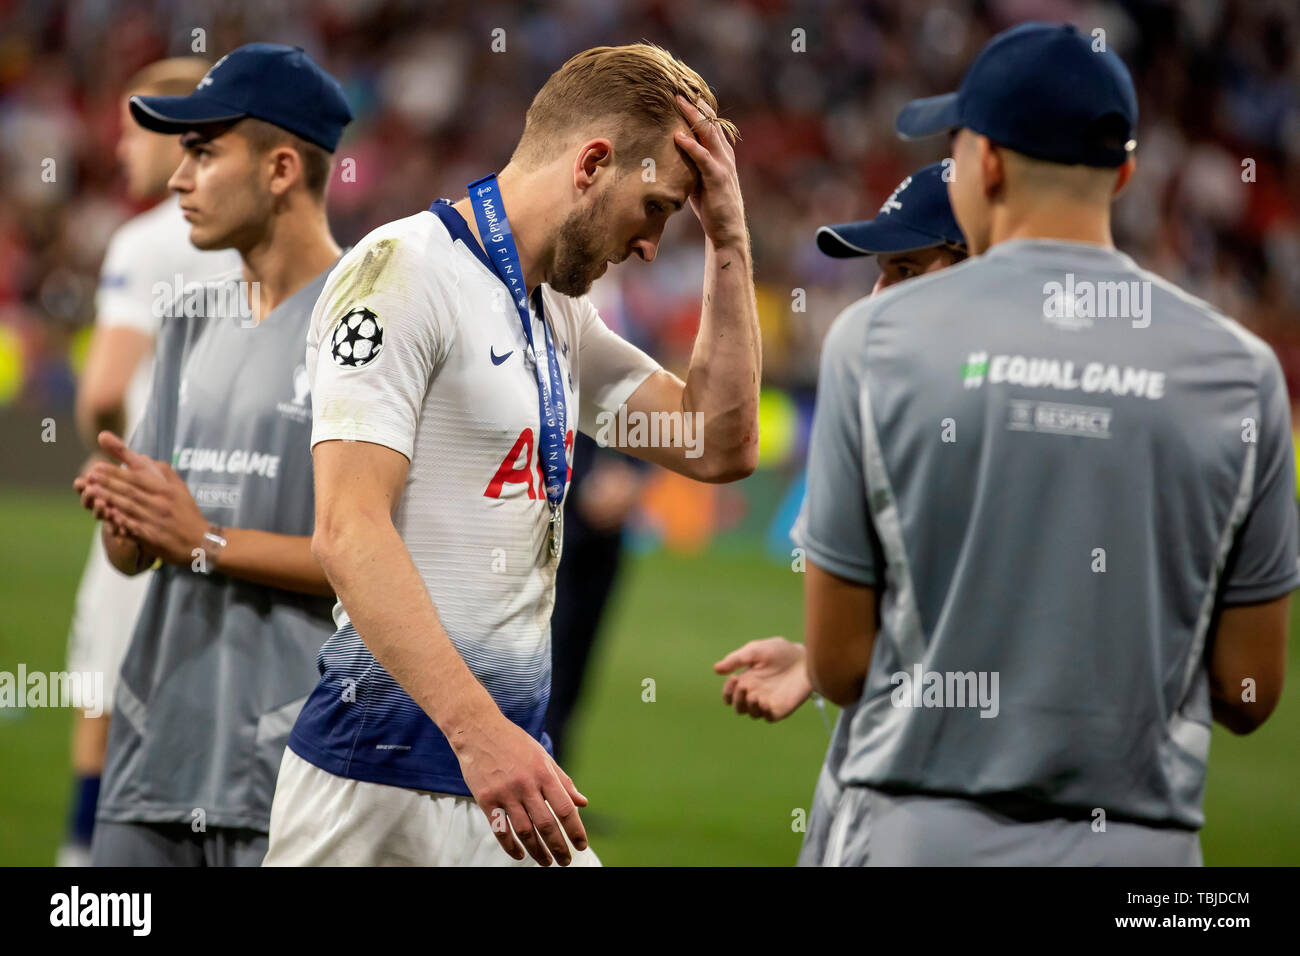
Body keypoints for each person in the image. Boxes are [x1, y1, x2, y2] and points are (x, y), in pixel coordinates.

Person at [796, 22, 1297, 866]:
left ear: (983, 165)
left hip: (921, 830)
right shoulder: (1242, 373)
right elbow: (1250, 693)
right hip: (1149, 856)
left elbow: (841, 666)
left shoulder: (876, 341)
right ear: (1125, 173)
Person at [263, 42, 760, 868]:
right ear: (594, 163)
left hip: (505, 779)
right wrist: (478, 734)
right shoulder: (402, 272)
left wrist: (732, 241)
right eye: (658, 208)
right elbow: (349, 532)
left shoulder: (555, 315)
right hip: (377, 787)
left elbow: (716, 443)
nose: (650, 244)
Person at [73, 43, 353, 866]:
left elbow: (384, 564)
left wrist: (204, 543)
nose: (175, 178)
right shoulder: (189, 317)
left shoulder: (366, 326)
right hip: (155, 752)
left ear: (279, 170)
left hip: (295, 769)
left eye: (201, 152)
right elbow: (135, 557)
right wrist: (128, 519)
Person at [712, 160, 966, 866]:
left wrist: (833, 665)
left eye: (910, 271)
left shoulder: (899, 419)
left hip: (907, 810)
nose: (880, 296)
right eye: (883, 271)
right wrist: (817, 664)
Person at [58, 56, 240, 867]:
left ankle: (82, 871)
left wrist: (108, 466)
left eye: (135, 127)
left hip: (146, 502)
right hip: (237, 509)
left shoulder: (148, 240)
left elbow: (103, 388)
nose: (121, 146)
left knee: (105, 690)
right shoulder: (254, 236)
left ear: (177, 134)